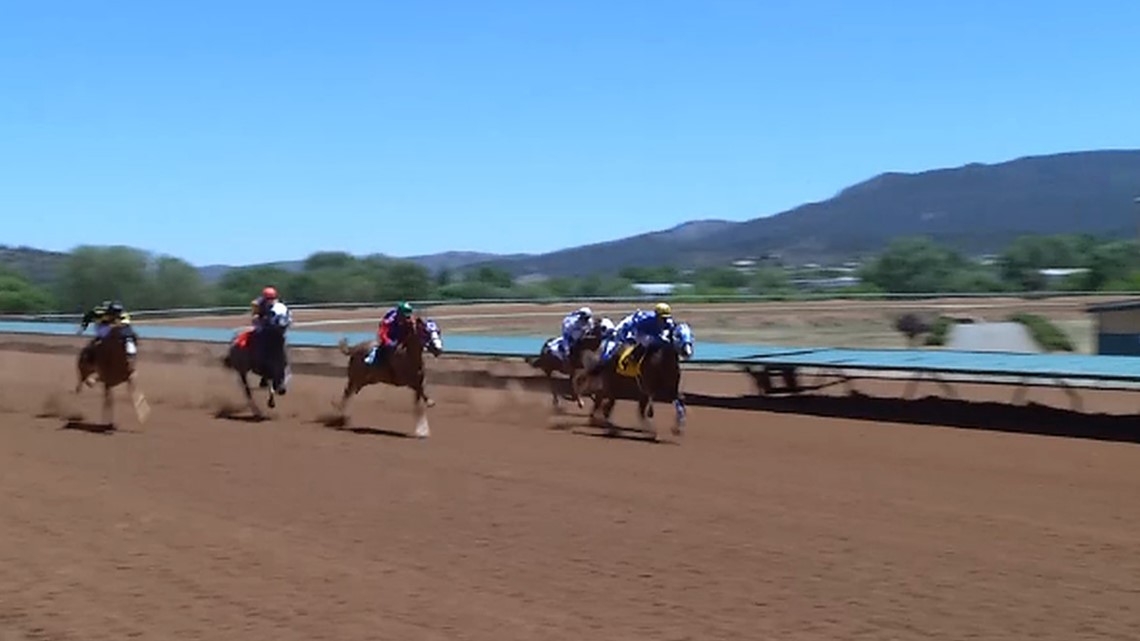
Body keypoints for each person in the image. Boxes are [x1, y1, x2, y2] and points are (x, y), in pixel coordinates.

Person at [589, 302, 676, 374]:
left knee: (662, 341)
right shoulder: (646, 320)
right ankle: (605, 362)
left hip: (648, 330)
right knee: (643, 342)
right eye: (662, 318)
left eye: (665, 318)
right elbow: (636, 331)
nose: (664, 320)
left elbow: (671, 330)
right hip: (631, 327)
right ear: (656, 315)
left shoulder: (668, 321)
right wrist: (630, 339)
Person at [365, 301, 416, 366]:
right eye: (404, 316)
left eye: (408, 316)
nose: (406, 318)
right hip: (389, 335)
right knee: (382, 347)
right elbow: (382, 333)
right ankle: (373, 356)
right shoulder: (389, 321)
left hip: (400, 335)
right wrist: (388, 341)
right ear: (399, 313)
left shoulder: (410, 320)